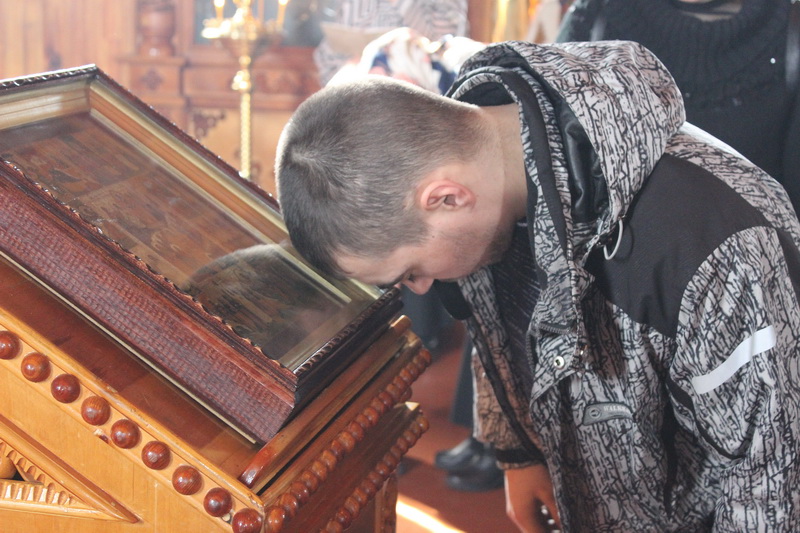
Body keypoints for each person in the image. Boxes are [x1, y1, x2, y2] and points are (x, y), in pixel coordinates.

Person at [275, 39, 800, 531]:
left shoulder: (722, 242)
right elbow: (493, 321)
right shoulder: (489, 179)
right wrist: (518, 452)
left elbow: (769, 483)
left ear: (447, 198)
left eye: (410, 270)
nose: (420, 287)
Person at [557, 0, 800, 214]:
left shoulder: (790, 30)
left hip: (755, 248)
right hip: (614, 248)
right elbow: (557, 177)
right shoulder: (595, 17)